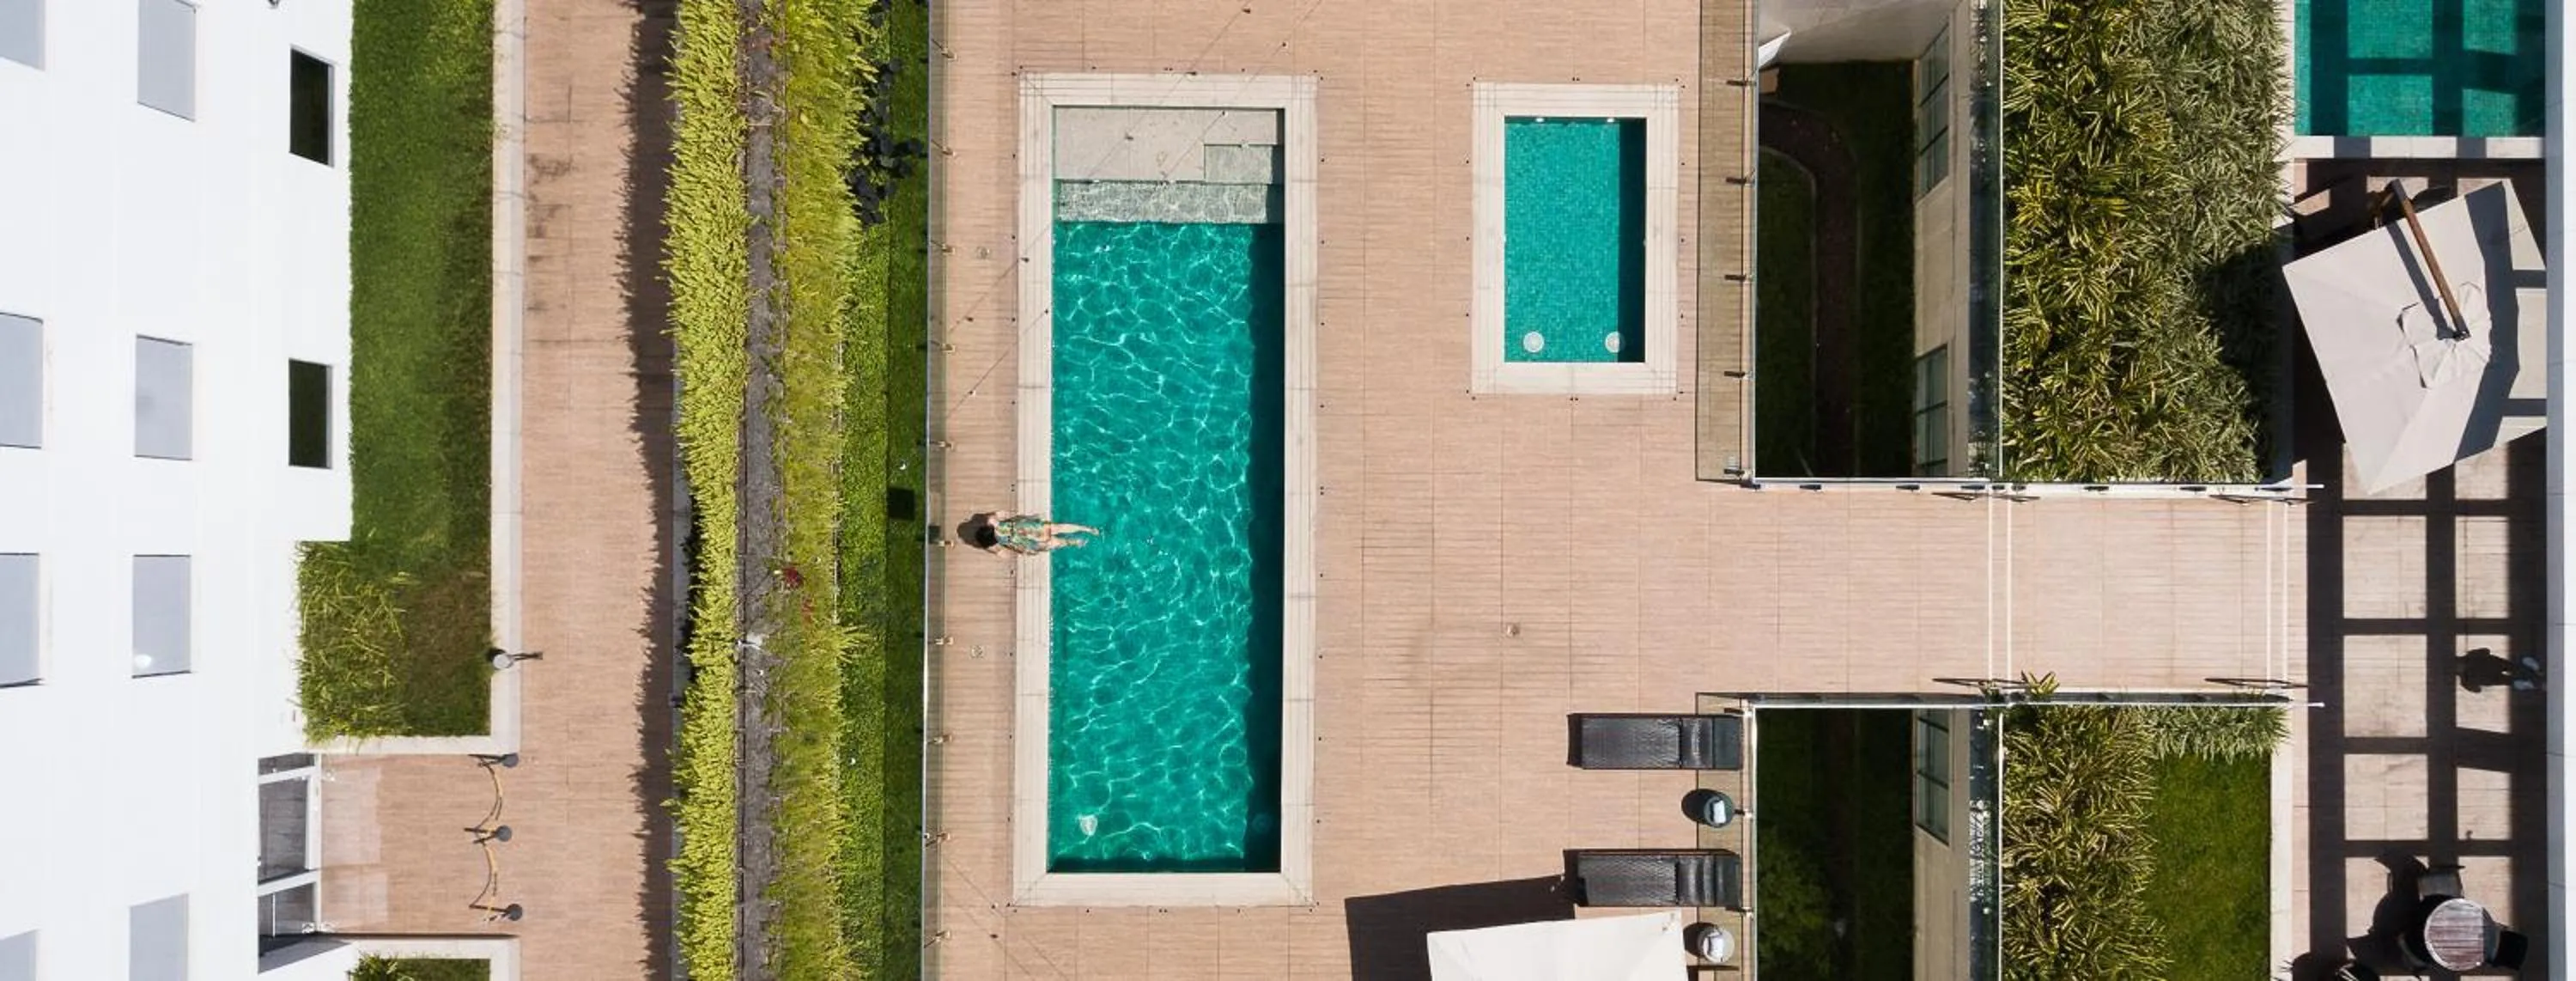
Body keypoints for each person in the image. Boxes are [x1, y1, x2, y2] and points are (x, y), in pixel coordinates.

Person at [972, 513, 1100, 554]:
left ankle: (1076, 542)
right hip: (1034, 528)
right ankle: (1088, 529)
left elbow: (997, 551)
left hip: (1033, 543)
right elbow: (991, 517)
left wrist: (989, 549)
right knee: (1060, 528)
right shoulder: (996, 525)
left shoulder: (1001, 543)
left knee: (1059, 542)